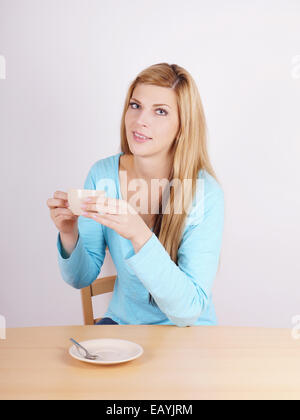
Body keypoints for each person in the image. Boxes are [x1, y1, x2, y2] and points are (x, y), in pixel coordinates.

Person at [46, 63, 224, 327]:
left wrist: (138, 234)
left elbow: (188, 311)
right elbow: (81, 277)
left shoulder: (205, 193)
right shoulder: (103, 175)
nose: (140, 120)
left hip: (188, 332)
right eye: (135, 105)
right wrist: (69, 233)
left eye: (160, 111)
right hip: (124, 325)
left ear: (183, 127)